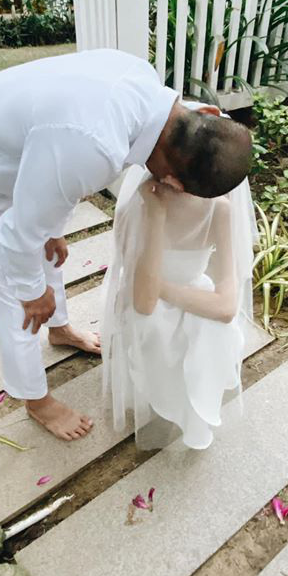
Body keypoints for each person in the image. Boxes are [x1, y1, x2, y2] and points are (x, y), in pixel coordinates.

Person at [0, 48, 252, 442]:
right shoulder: (95, 145)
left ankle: (60, 332)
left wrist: (50, 225)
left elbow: (55, 165)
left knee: (49, 251)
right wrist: (31, 291)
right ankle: (36, 400)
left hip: (5, 149)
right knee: (13, 296)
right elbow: (18, 236)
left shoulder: (141, 80)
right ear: (174, 182)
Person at [101, 161, 257, 451]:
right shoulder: (135, 208)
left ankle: (190, 405)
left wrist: (159, 287)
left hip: (185, 291)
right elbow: (144, 303)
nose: (173, 183)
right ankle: (156, 394)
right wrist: (156, 215)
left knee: (213, 331)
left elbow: (226, 308)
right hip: (147, 304)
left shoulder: (219, 209)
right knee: (153, 326)